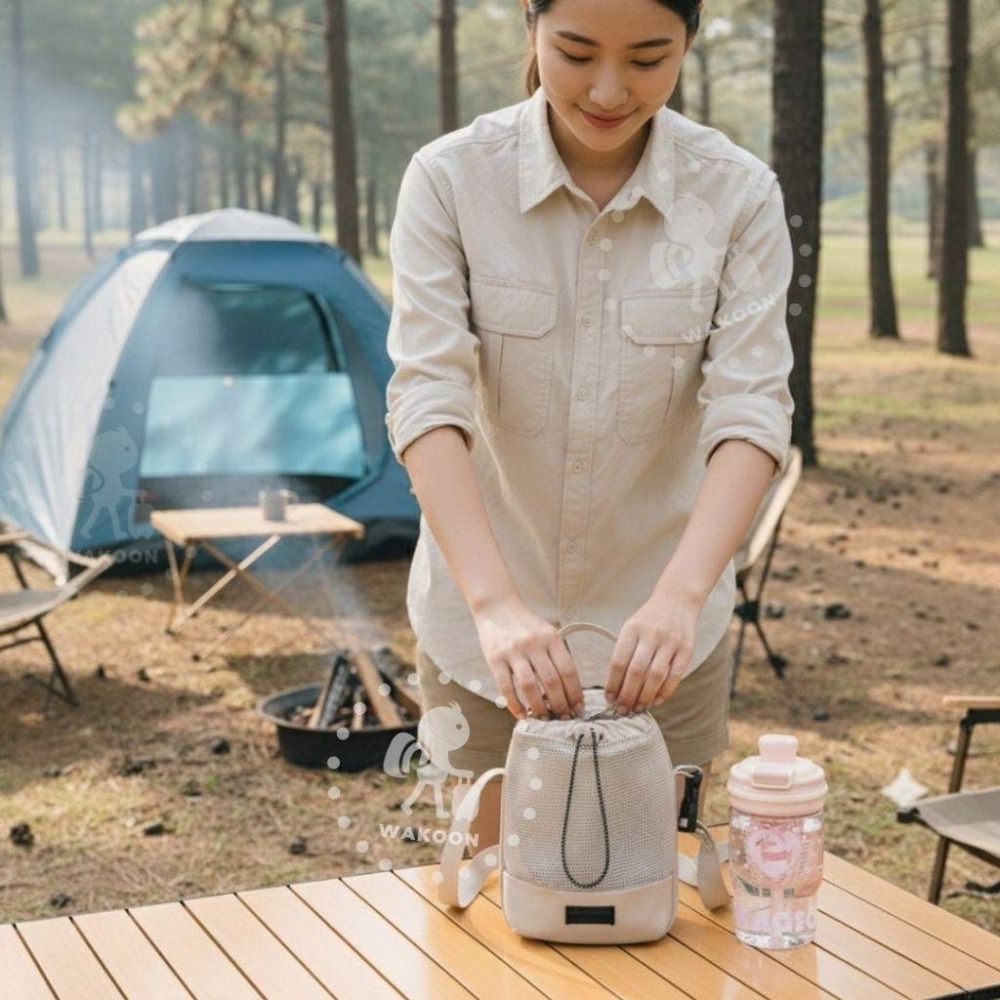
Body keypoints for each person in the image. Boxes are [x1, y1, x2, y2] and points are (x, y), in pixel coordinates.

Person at [385, 0, 794, 846]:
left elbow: (752, 410)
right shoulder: (451, 180)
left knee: (655, 895)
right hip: (483, 643)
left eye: (648, 59)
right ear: (530, 26)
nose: (609, 91)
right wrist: (496, 605)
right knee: (489, 899)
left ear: (689, 42)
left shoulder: (738, 195)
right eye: (575, 53)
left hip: (664, 643)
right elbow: (428, 398)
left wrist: (680, 596)